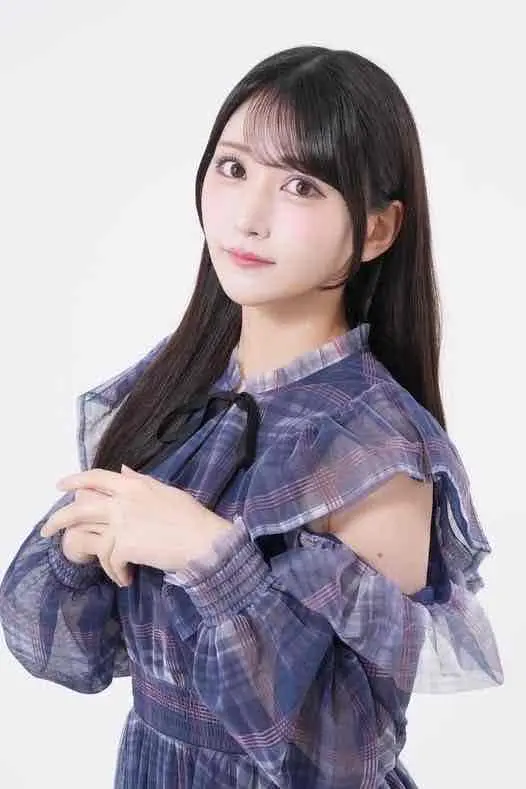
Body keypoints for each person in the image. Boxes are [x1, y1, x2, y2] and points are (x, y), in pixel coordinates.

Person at [0, 45, 503, 788]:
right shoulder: (182, 385)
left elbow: (341, 760)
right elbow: (68, 652)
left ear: (377, 230)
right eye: (233, 169)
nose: (249, 217)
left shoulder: (373, 447)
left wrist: (213, 559)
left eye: (301, 185)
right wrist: (76, 548)